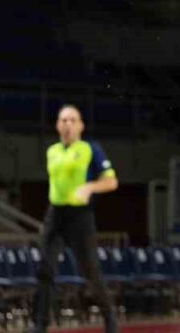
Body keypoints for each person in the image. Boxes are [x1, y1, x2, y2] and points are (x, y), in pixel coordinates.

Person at [30, 105, 119, 333]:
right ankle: (40, 324)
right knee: (45, 268)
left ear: (81, 125)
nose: (67, 124)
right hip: (55, 214)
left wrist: (89, 187)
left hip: (80, 216)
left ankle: (110, 318)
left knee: (90, 271)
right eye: (63, 120)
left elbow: (111, 182)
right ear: (57, 125)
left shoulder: (91, 149)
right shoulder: (52, 151)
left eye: (72, 120)